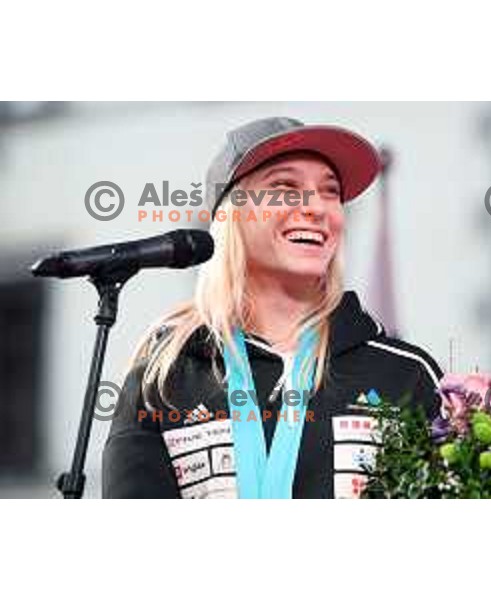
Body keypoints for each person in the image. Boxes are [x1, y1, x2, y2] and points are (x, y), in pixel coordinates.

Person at [102, 116, 444, 499]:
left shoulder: (406, 373)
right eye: (285, 187)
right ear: (231, 215)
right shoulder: (163, 379)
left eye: (331, 192)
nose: (316, 207)